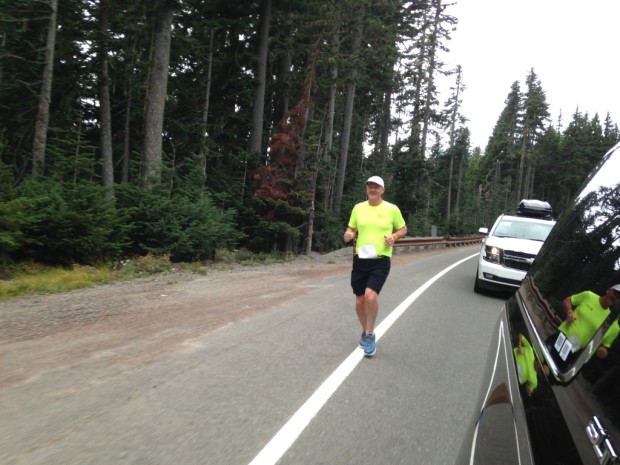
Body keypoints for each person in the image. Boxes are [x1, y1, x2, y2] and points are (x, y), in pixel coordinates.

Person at [343, 175, 407, 357]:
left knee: (371, 297)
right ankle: (365, 331)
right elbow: (351, 229)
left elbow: (403, 229)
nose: (372, 189)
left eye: (376, 187)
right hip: (360, 259)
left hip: (381, 259)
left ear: (382, 190)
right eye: (369, 186)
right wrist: (348, 234)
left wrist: (394, 237)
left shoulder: (392, 209)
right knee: (360, 300)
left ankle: (370, 335)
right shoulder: (358, 208)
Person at [558, 284, 620, 357]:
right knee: (544, 362)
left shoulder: (611, 323)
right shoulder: (589, 296)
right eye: (615, 293)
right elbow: (567, 301)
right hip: (562, 334)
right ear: (608, 290)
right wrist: (569, 312)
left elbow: (604, 346)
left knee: (550, 366)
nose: (615, 297)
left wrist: (603, 351)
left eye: (619, 297)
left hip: (574, 350)